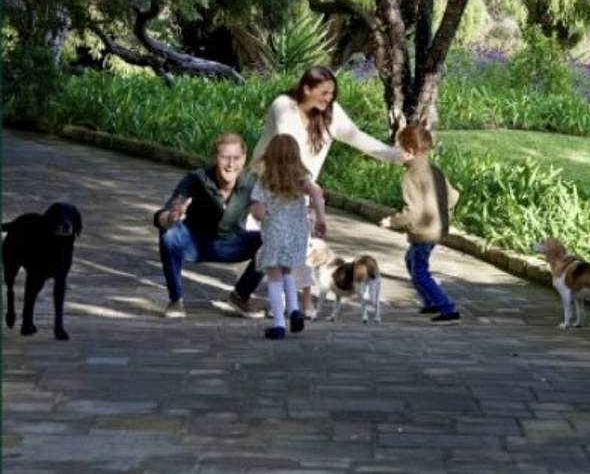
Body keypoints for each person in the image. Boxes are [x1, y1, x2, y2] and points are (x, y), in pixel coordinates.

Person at [252, 66, 404, 317]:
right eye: (324, 93)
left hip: (300, 190)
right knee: (268, 246)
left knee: (296, 248)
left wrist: (396, 156)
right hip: (269, 183)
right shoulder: (283, 106)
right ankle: (267, 300)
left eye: (332, 93)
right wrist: (310, 188)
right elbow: (290, 149)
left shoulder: (331, 114)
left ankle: (295, 305)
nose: (329, 99)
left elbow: (359, 138)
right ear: (306, 89)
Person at [154, 132, 263, 318]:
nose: (230, 164)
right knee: (169, 235)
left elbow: (266, 209)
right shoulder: (196, 179)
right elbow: (161, 216)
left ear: (244, 159)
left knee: (272, 240)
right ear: (214, 157)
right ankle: (175, 299)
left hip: (230, 243)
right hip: (194, 243)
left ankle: (240, 296)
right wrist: (171, 217)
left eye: (236, 158)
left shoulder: (251, 182)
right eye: (224, 157)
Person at [379, 123, 461, 323]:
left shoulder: (410, 176)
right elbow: (453, 197)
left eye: (399, 148)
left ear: (410, 151)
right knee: (411, 261)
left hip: (423, 233)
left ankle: (447, 307)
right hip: (437, 229)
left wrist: (391, 221)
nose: (397, 152)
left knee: (420, 271)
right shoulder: (435, 170)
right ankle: (430, 301)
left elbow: (412, 212)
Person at [250, 134, 327, 339]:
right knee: (287, 271)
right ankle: (294, 310)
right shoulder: (302, 179)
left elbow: (257, 211)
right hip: (297, 234)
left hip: (275, 233)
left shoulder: (264, 182)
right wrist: (321, 218)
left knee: (274, 277)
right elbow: (317, 195)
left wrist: (263, 215)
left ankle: (278, 324)